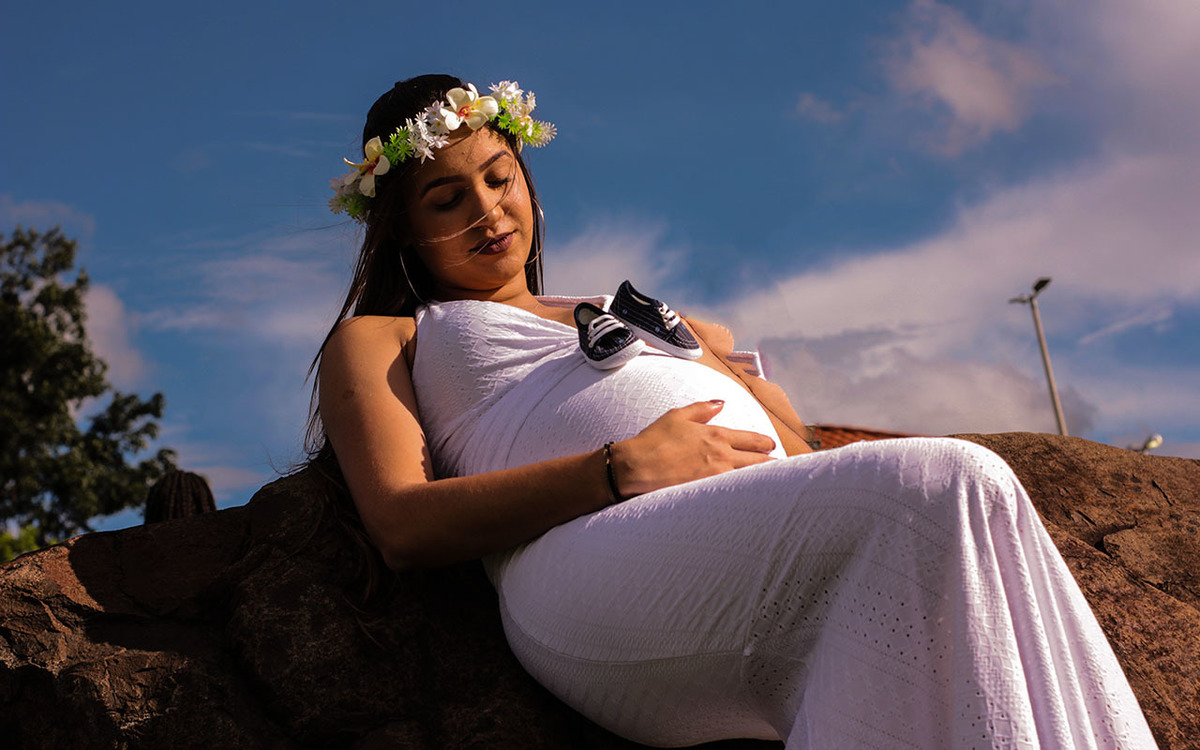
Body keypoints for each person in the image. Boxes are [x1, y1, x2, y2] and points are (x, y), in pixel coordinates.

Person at [309, 74, 1157, 749]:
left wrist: (768, 408)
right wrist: (618, 468)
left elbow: (798, 446)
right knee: (952, 479)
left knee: (981, 521)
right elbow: (403, 523)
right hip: (585, 566)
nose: (489, 210)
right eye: (447, 200)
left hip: (750, 541)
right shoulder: (389, 335)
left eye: (500, 178)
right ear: (405, 231)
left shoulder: (632, 305)